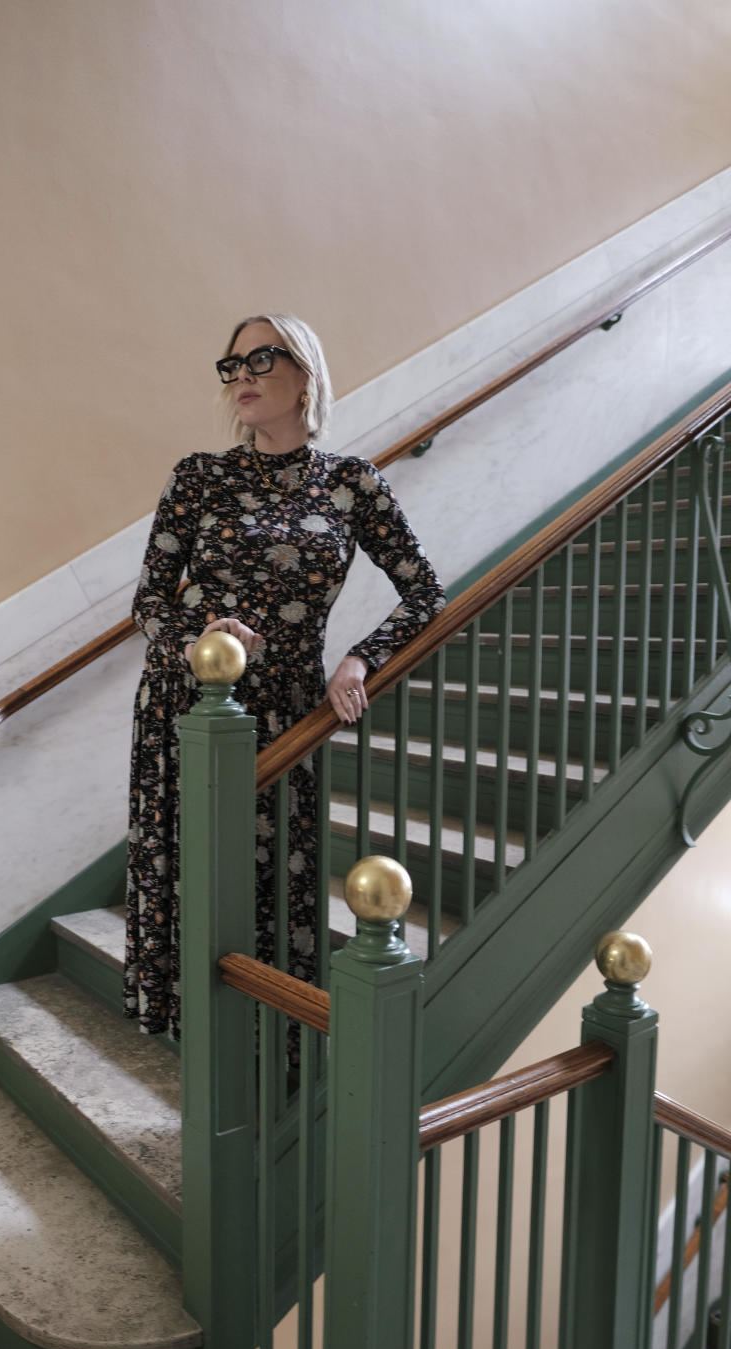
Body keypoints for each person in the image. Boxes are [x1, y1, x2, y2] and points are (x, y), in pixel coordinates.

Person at [123, 313, 444, 1040]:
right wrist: (192, 637)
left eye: (260, 360)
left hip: (287, 711)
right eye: (230, 364)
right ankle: (191, 1029)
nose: (240, 376)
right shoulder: (199, 476)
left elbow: (425, 592)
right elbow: (146, 602)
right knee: (190, 866)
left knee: (271, 880)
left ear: (305, 372)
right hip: (187, 701)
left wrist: (362, 657)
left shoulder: (352, 483)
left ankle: (271, 1040)